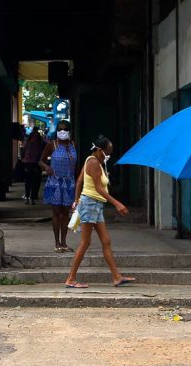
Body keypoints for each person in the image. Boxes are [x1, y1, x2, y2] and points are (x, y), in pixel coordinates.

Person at [64, 134, 135, 288]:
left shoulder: (91, 160)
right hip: (90, 204)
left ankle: (116, 277)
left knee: (106, 241)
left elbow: (79, 182)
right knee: (85, 242)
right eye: (108, 152)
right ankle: (71, 279)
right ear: (100, 150)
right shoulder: (94, 163)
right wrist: (117, 203)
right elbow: (97, 188)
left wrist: (76, 201)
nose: (108, 155)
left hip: (93, 205)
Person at [39, 119, 76, 252]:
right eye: (59, 129)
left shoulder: (73, 144)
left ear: (69, 131)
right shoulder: (52, 145)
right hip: (55, 183)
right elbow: (41, 161)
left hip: (69, 183)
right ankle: (56, 243)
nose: (62, 132)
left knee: (66, 213)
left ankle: (64, 242)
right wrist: (47, 168)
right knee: (56, 212)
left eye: (65, 129)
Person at [21, 127, 46, 205]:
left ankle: (27, 198)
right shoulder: (40, 143)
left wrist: (23, 159)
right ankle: (33, 197)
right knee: (35, 181)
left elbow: (23, 152)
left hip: (28, 163)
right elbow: (43, 153)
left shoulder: (27, 143)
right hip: (36, 163)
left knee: (28, 181)